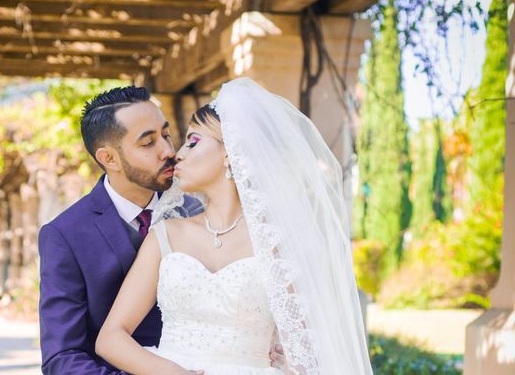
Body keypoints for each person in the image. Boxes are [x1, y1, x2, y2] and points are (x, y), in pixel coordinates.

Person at [96, 78, 374, 375]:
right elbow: (110, 338)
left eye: (193, 141)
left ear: (231, 151)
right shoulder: (166, 235)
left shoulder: (280, 245)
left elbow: (310, 350)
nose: (178, 153)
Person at [38, 86, 183, 374]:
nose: (168, 151)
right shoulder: (64, 235)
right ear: (109, 159)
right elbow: (62, 357)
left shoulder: (198, 209)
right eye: (148, 143)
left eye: (166, 135)